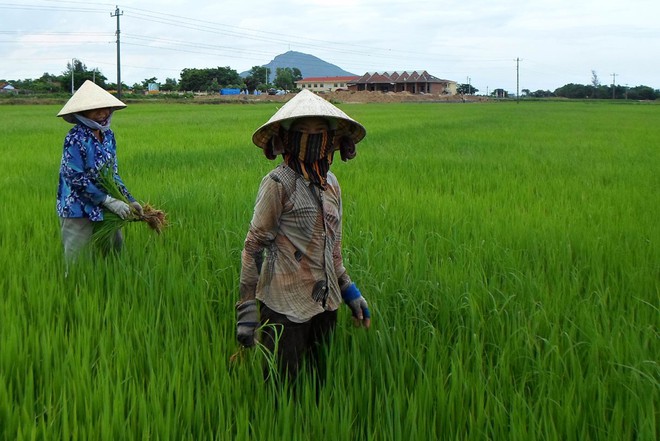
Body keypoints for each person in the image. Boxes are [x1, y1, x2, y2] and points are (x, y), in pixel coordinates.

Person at [236, 89, 371, 389]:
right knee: (282, 388)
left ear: (334, 140)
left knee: (318, 381)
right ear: (285, 138)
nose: (311, 138)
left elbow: (333, 249)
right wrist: (246, 309)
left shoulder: (332, 184)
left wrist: (350, 292)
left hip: (327, 303)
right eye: (301, 131)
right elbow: (252, 247)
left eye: (320, 131)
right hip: (284, 305)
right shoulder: (277, 183)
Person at [56, 80, 142, 264]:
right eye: (95, 109)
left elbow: (112, 173)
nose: (102, 113)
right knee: (77, 261)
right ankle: (76, 290)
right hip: (77, 207)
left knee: (114, 255)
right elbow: (75, 177)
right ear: (81, 112)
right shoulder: (75, 138)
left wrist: (129, 199)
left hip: (106, 207)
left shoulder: (108, 136)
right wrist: (108, 200)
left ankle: (113, 284)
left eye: (106, 108)